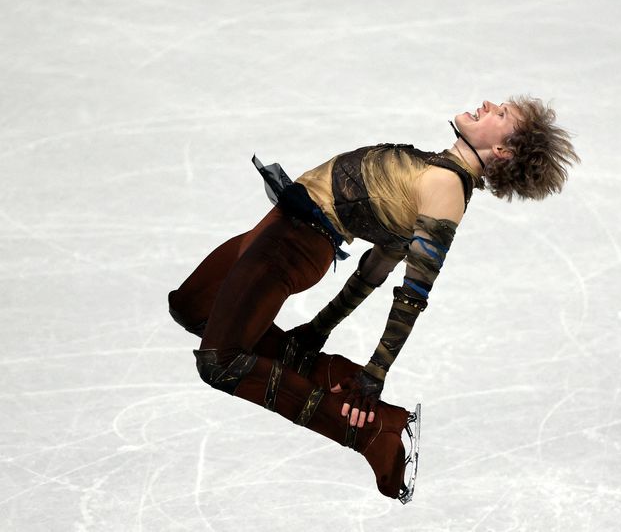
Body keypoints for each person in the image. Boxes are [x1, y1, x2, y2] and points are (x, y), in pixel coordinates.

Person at [168, 97, 579, 503]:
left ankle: (370, 431)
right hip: (280, 226)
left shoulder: (446, 190)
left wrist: (374, 373)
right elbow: (373, 271)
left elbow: (412, 294)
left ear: (502, 150)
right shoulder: (436, 169)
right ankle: (323, 371)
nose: (488, 104)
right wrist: (317, 330)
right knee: (192, 305)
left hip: (291, 247)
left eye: (501, 114)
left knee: (220, 363)